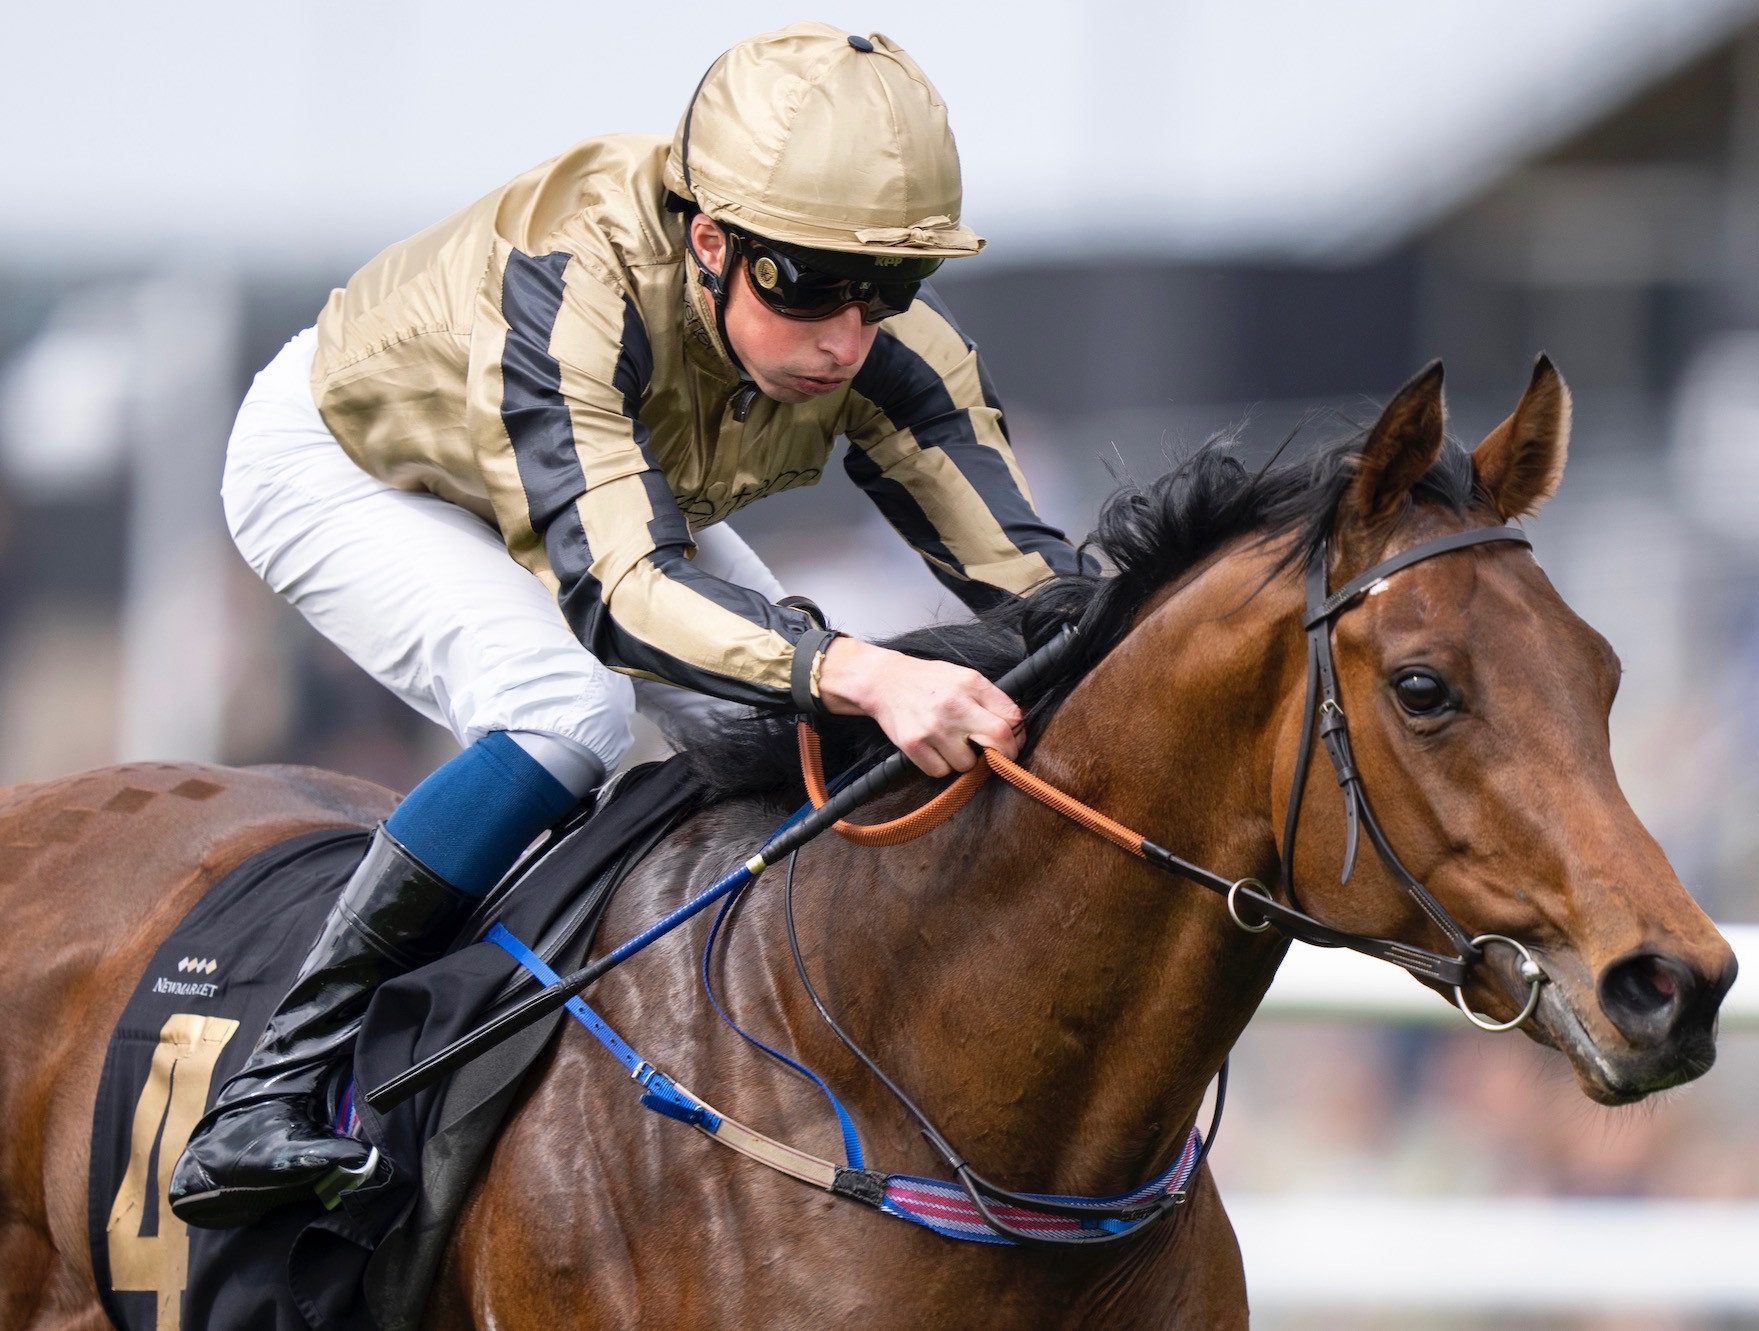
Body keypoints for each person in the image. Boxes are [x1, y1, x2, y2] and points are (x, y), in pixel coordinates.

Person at [169, 21, 1081, 1228]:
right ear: (711, 239)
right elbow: (620, 595)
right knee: (573, 707)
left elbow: (1040, 585)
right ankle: (271, 1082)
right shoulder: (577, 279)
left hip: (606, 475)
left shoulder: (868, 331)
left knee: (774, 703)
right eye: (806, 287)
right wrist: (861, 667)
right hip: (354, 462)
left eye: (887, 293)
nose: (846, 339)